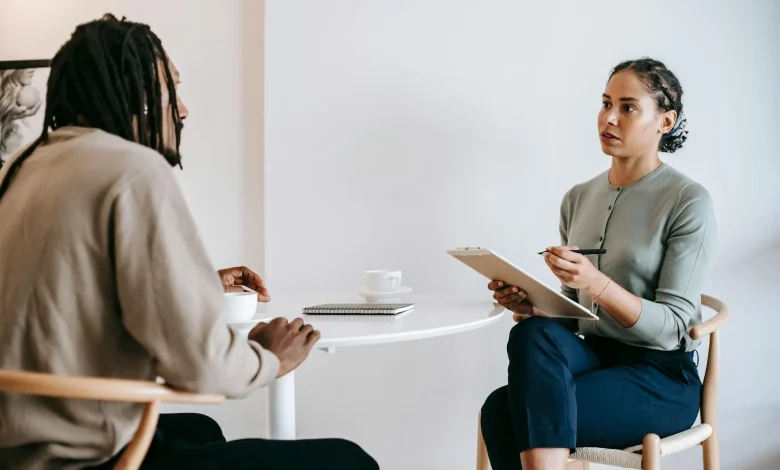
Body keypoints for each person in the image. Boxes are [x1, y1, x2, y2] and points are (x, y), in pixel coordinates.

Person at [0, 14, 378, 470]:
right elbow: (203, 369)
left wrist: (192, 282)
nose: (182, 109)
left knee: (202, 431)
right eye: (170, 89)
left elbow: (65, 294)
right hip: (86, 456)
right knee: (348, 461)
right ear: (132, 93)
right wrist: (268, 358)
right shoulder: (132, 170)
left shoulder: (25, 169)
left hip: (18, 445)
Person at [480, 58, 716, 470]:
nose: (608, 118)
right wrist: (532, 307)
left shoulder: (687, 201)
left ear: (665, 121)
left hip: (660, 379)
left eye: (628, 107)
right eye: (605, 103)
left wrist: (596, 283)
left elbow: (673, 329)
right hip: (596, 359)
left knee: (506, 412)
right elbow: (575, 321)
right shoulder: (577, 198)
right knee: (531, 337)